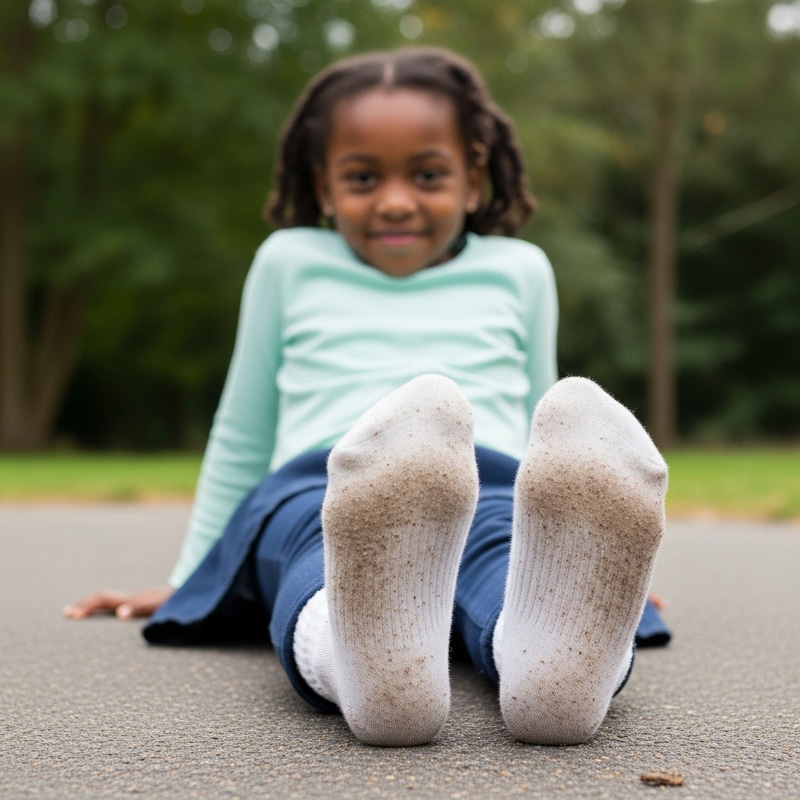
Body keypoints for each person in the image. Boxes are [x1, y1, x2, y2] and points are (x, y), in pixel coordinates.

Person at [64, 47, 670, 747]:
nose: (394, 199)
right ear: (321, 186)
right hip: (317, 484)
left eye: (428, 174)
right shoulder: (289, 261)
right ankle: (366, 672)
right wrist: (191, 576)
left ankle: (558, 652)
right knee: (321, 556)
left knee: (506, 555)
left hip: (492, 474)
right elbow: (242, 427)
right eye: (361, 177)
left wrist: (583, 563)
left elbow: (558, 432)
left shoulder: (521, 269)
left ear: (474, 179)